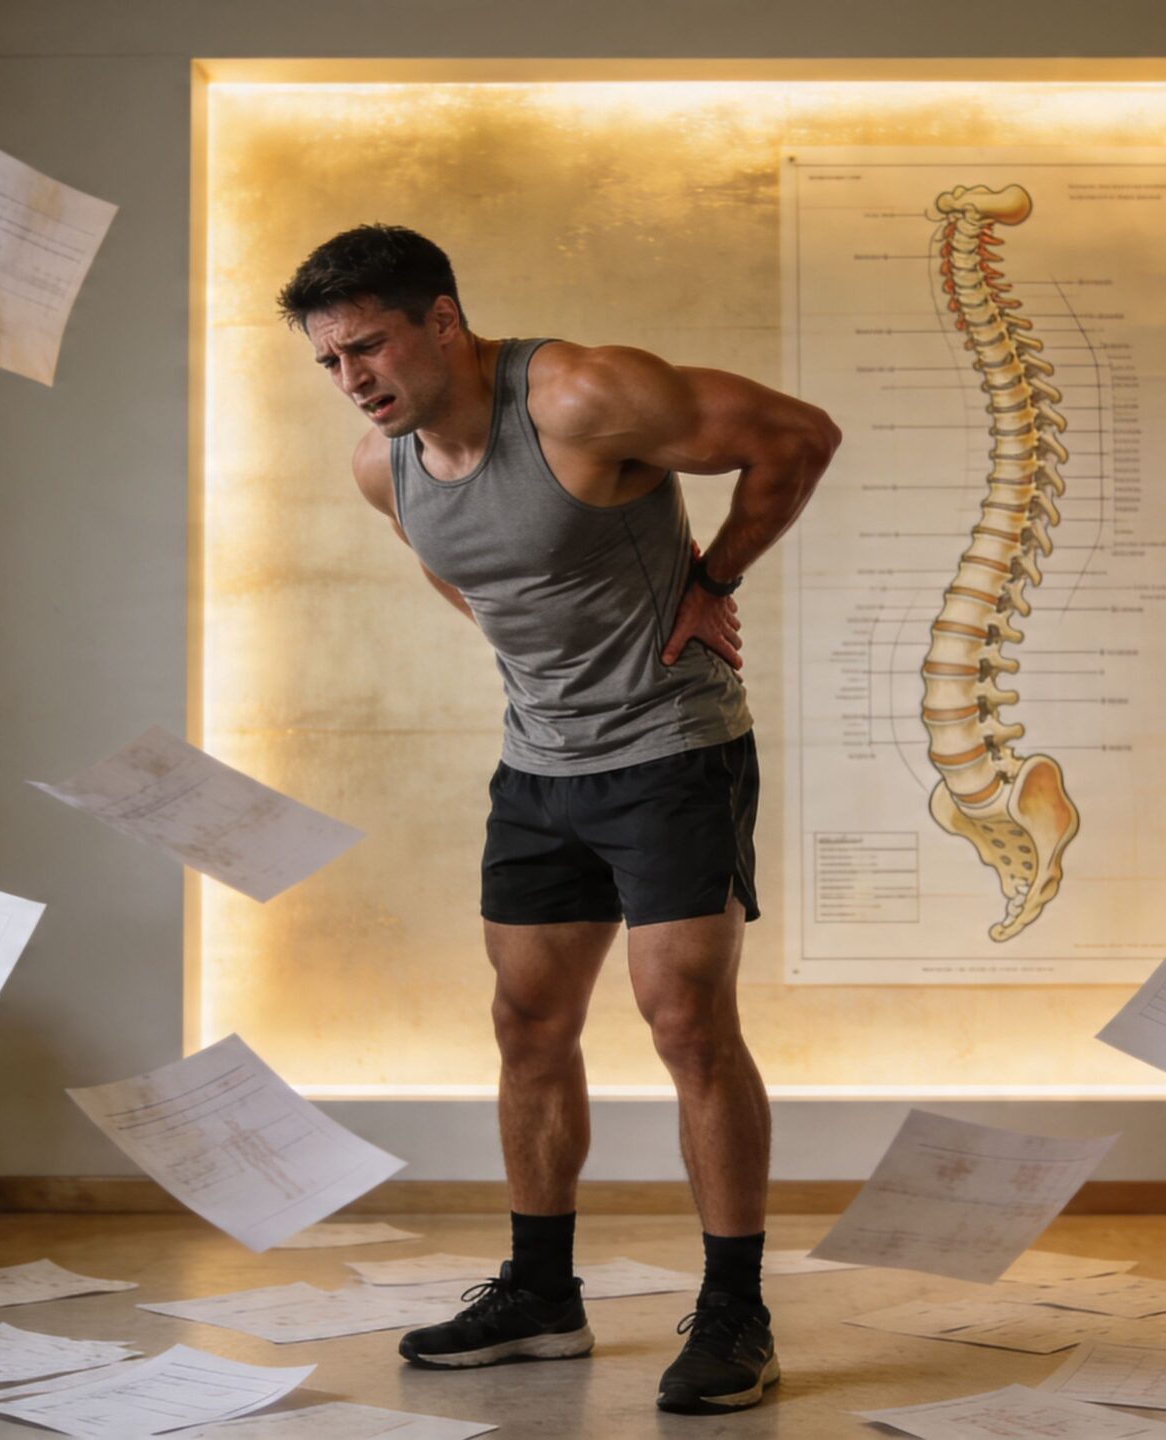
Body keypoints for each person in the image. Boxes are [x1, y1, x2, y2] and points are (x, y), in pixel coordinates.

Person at [278, 225, 838, 1415]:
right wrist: (536, 662)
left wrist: (714, 577)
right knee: (527, 1025)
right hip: (538, 773)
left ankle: (737, 1313)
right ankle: (542, 1296)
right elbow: (466, 574)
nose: (353, 380)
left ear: (441, 319)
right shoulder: (385, 470)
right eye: (329, 363)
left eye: (368, 346)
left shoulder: (582, 394)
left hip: (674, 754)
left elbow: (797, 437)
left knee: (685, 1024)